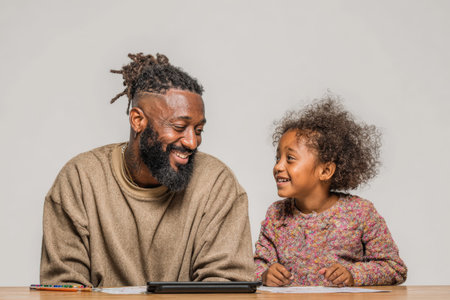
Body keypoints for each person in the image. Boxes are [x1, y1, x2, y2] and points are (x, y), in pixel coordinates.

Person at [40, 53, 255, 287]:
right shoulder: (80, 180)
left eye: (199, 130)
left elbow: (227, 289)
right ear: (137, 120)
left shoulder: (217, 184)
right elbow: (63, 288)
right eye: (180, 127)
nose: (192, 142)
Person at [254, 97, 407, 287]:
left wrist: (353, 275)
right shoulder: (276, 215)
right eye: (278, 158)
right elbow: (256, 265)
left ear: (325, 171)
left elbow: (394, 268)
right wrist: (265, 274)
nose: (278, 166)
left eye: (290, 158)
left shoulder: (360, 212)